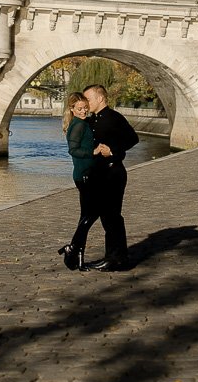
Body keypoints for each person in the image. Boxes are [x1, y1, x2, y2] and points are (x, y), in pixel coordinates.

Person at [82, 83, 139, 271]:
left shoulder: (114, 118)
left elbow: (133, 138)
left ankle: (118, 258)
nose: (86, 102)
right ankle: (112, 256)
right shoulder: (92, 120)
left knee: (112, 215)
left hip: (113, 172)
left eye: (88, 99)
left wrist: (113, 149)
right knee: (106, 217)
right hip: (99, 174)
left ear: (100, 98)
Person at [57, 92, 102, 271]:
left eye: (85, 108)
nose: (84, 111)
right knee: (93, 213)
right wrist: (93, 152)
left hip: (86, 173)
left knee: (86, 215)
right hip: (84, 175)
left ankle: (78, 258)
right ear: (72, 109)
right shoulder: (78, 126)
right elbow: (73, 150)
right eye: (80, 108)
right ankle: (73, 247)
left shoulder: (82, 123)